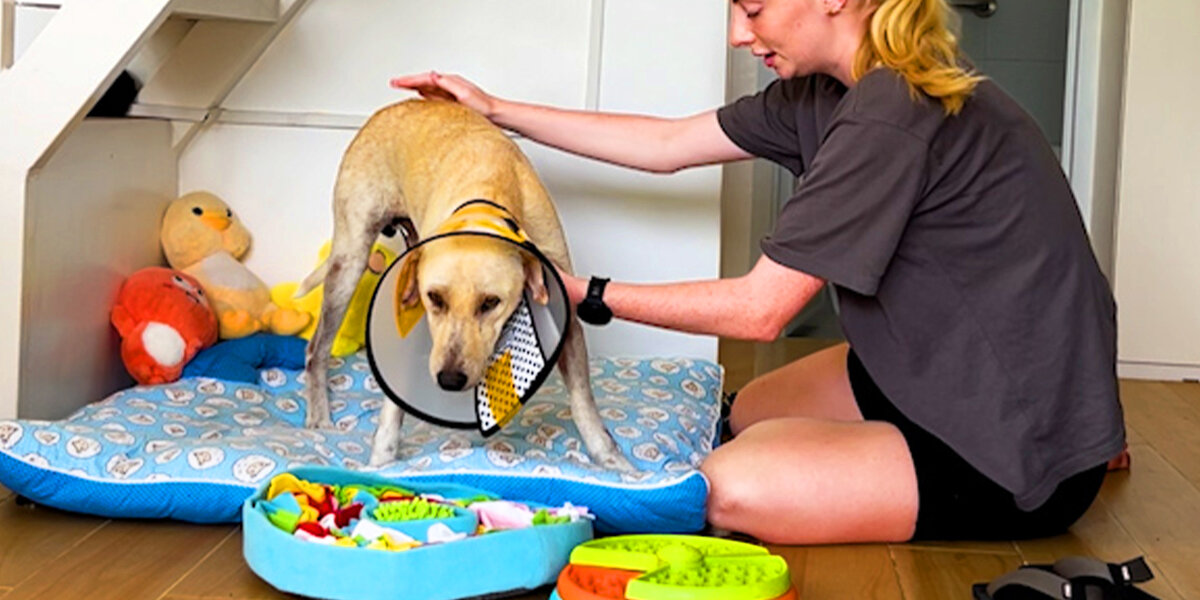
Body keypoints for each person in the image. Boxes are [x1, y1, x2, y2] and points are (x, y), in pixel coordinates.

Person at [390, 0, 1124, 545]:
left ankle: (1061, 459)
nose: (739, 35)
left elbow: (759, 311)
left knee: (723, 487)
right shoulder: (824, 92)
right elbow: (669, 144)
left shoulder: (889, 114)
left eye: (754, 8)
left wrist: (586, 294)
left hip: (1008, 448)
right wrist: (495, 110)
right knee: (741, 416)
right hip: (937, 369)